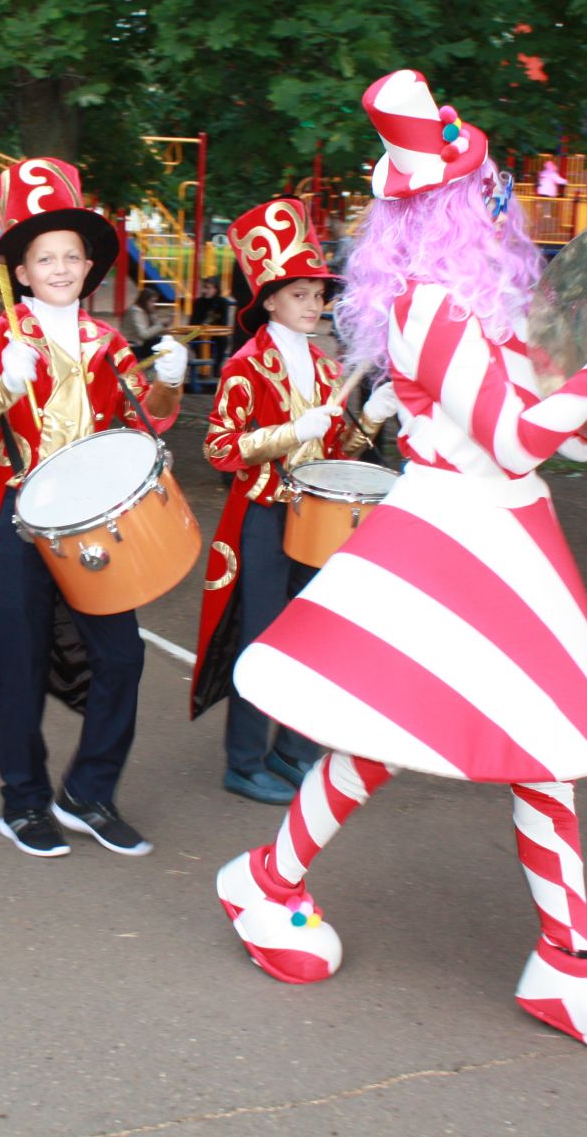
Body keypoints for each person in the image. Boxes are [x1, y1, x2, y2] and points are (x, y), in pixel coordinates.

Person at [212, 69, 587, 1071]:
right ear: (434, 210)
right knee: (412, 736)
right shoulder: (431, 307)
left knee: (523, 744)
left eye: (483, 185)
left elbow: (562, 431)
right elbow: (516, 436)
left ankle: (557, 953)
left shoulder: (482, 299)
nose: (492, 200)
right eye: (471, 190)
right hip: (455, 537)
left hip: (502, 533)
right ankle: (274, 877)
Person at [0, 157, 188, 858]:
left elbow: (143, 425)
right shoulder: (2, 339)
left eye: (70, 255)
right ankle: (21, 800)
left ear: (88, 266)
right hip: (22, 525)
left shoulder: (107, 343)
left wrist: (167, 386)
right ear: (20, 271)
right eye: (42, 256)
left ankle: (89, 791)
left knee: (122, 656)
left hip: (96, 526)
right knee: (20, 662)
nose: (58, 266)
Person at [192, 198, 356, 804]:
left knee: (308, 635)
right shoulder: (244, 367)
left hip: (315, 519)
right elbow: (219, 449)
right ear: (268, 300)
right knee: (258, 638)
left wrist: (369, 423)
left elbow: (336, 448)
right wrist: (293, 432)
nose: (314, 305)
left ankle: (293, 751)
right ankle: (243, 761)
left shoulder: (322, 365)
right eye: (301, 295)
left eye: (318, 294)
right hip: (262, 518)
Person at [121, 283, 167, 357]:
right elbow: (144, 334)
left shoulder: (144, 311)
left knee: (163, 340)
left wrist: (152, 314)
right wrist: (160, 325)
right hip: (131, 344)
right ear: (144, 301)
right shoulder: (135, 311)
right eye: (152, 301)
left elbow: (155, 330)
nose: (153, 304)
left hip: (140, 342)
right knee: (160, 343)